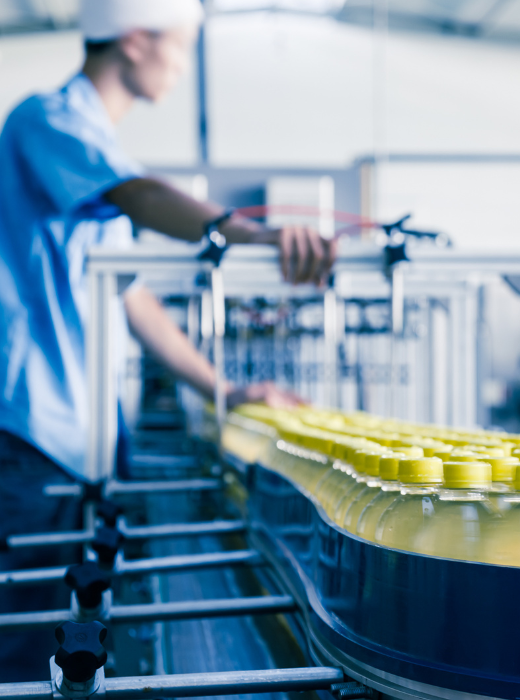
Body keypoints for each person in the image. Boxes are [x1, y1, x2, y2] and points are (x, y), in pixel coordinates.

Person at [0, 0, 334, 680]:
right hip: (31, 442)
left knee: (62, 651)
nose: (182, 69)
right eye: (180, 48)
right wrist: (255, 234)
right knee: (21, 652)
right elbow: (143, 196)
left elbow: (133, 299)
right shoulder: (46, 121)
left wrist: (228, 390)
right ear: (132, 41)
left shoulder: (98, 145)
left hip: (78, 448)